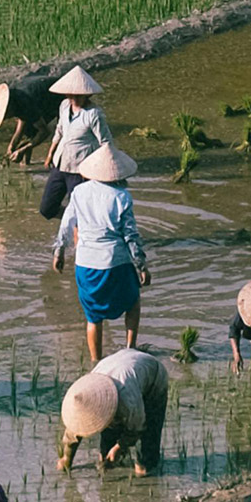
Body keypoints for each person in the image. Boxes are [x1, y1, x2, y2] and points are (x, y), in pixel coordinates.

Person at [52, 145, 148, 360]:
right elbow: (130, 235)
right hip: (116, 262)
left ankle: (95, 361)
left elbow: (67, 223)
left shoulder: (79, 192)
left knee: (93, 316)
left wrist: (59, 251)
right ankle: (130, 349)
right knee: (132, 302)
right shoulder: (122, 196)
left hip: (86, 262)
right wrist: (141, 265)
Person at [58, 346, 169, 474]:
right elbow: (73, 434)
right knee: (105, 460)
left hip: (153, 378)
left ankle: (148, 465)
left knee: (143, 467)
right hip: (119, 365)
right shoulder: (84, 397)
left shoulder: (128, 400)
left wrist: (120, 446)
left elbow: (139, 427)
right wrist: (66, 459)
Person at [41, 67, 111, 219]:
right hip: (60, 164)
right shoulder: (64, 106)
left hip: (81, 170)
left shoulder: (94, 114)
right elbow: (59, 130)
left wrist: (104, 171)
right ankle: (75, 219)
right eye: (71, 95)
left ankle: (80, 233)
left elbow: (105, 143)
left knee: (80, 208)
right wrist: (50, 154)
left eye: (79, 96)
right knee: (47, 209)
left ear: (88, 95)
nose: (74, 99)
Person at [0, 73, 60, 164]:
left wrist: (23, 149)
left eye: (5, 116)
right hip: (40, 97)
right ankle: (26, 164)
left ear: (7, 108)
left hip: (58, 95)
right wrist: (12, 145)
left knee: (63, 135)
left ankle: (51, 160)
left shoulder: (24, 101)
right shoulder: (14, 98)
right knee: (29, 131)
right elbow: (23, 119)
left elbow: (44, 132)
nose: (6, 119)